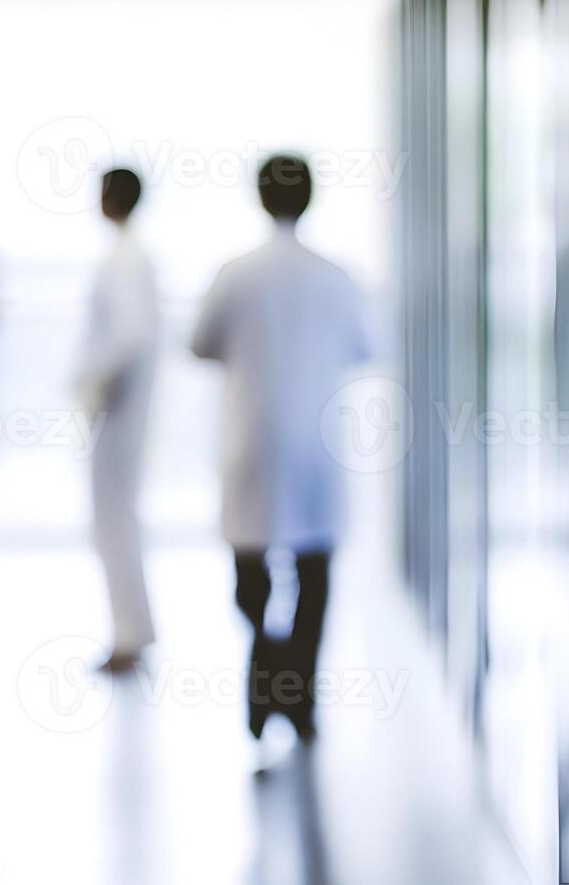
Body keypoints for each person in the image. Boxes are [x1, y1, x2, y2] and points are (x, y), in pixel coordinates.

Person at [191, 155, 368, 741]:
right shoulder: (336, 275)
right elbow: (368, 345)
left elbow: (200, 344)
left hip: (253, 438)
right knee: (314, 576)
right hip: (317, 444)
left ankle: (267, 666)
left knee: (250, 575)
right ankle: (297, 691)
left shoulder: (234, 273)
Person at [77, 168, 160, 673]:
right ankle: (132, 629)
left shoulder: (125, 261)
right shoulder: (129, 256)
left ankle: (128, 635)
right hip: (122, 409)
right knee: (118, 518)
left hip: (117, 410)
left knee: (113, 520)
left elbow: (130, 336)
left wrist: (92, 382)